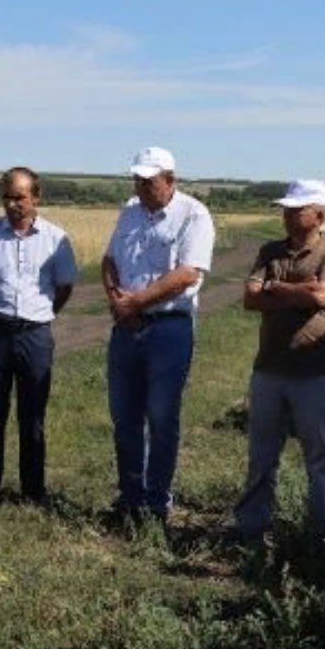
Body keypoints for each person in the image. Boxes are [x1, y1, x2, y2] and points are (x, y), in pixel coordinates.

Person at [232, 179, 325, 554]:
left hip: (316, 372)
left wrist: (276, 289)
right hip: (269, 368)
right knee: (262, 456)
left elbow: (322, 294)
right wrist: (296, 292)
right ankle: (252, 529)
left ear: (319, 215)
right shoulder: (270, 251)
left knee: (321, 458)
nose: (287, 215)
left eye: (296, 210)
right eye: (286, 209)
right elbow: (250, 299)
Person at [101, 146, 215, 525]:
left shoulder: (193, 214)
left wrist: (136, 303)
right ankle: (130, 496)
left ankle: (156, 501)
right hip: (127, 326)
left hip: (169, 328)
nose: (142, 186)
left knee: (162, 416)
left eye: (149, 180)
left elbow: (188, 274)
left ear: (170, 180)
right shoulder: (130, 211)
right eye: (138, 179)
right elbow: (109, 261)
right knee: (125, 415)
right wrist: (118, 300)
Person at [0, 167, 78, 505]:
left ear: (35, 198)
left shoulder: (55, 239)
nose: (13, 204)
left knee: (33, 414)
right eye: (7, 197)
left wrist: (43, 313)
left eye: (20, 197)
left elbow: (64, 287)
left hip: (35, 335)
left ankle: (33, 489)